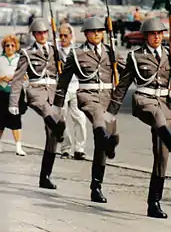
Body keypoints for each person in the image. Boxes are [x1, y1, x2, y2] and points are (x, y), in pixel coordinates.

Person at [106, 18, 171, 219]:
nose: (157, 37)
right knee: (157, 117)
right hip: (144, 100)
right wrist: (111, 111)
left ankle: (154, 203)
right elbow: (123, 85)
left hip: (164, 103)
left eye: (160, 33)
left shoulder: (170, 54)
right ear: (146, 36)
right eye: (153, 34)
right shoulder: (135, 57)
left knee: (162, 156)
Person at [53, 16, 125, 203]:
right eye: (93, 32)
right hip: (87, 96)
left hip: (108, 98)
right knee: (99, 123)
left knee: (108, 139)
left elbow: (128, 71)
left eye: (100, 31)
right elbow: (64, 80)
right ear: (85, 34)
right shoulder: (77, 54)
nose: (97, 34)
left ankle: (97, 181)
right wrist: (58, 105)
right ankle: (97, 184)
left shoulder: (111, 52)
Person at [9, 17, 65, 190]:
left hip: (53, 91)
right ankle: (57, 127)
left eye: (44, 32)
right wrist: (13, 102)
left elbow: (65, 69)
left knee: (52, 137)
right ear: (34, 35)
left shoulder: (55, 50)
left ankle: (45, 177)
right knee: (46, 110)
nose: (42, 35)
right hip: (35, 91)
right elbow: (17, 80)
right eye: (39, 33)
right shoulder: (27, 53)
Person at [59, 23, 87, 160]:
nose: (63, 38)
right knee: (62, 119)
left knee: (80, 118)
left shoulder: (77, 51)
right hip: (62, 88)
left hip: (76, 86)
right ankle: (65, 148)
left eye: (66, 35)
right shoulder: (55, 51)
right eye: (61, 36)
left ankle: (79, 149)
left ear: (71, 36)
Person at [0, 35, 26, 156]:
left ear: (16, 47)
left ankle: (18, 147)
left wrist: (12, 77)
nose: (10, 47)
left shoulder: (20, 59)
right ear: (4, 47)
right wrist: (5, 78)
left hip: (15, 94)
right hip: (2, 92)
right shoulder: (0, 59)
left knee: (16, 119)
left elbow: (25, 76)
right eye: (7, 45)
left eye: (12, 45)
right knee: (0, 120)